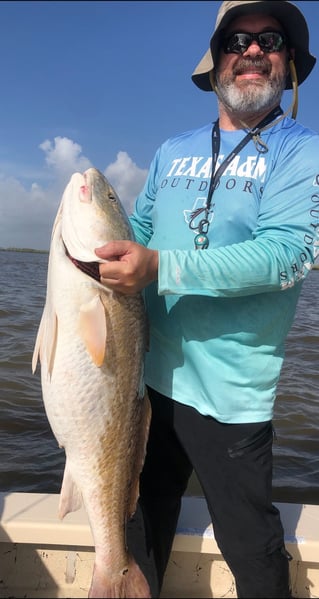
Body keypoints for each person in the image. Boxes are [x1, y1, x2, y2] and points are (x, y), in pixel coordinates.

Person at [95, 1, 319, 597]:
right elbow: (139, 229)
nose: (251, 51)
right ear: (217, 61)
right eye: (235, 41)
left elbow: (284, 256)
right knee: (139, 526)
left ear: (289, 62)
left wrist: (160, 267)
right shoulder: (172, 149)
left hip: (231, 397)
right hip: (147, 380)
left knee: (251, 547)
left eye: (269, 40)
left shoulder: (303, 153)